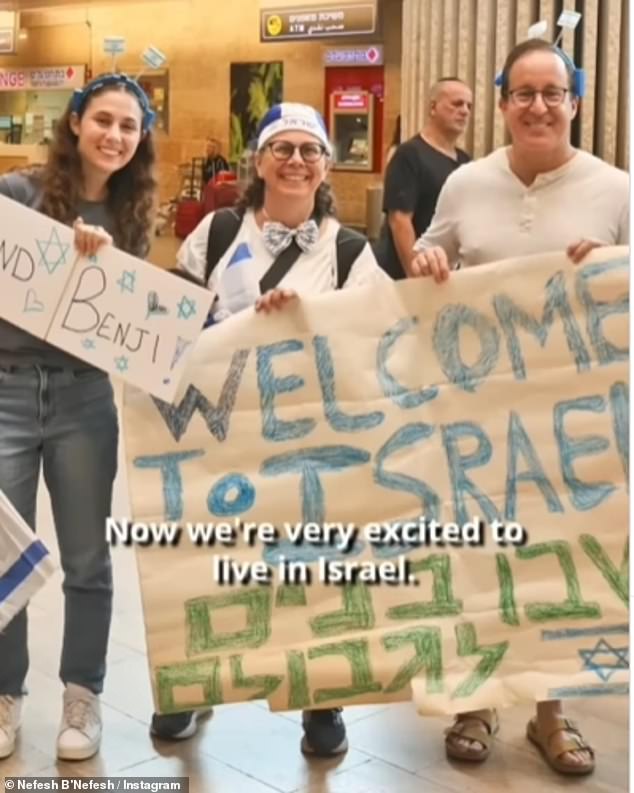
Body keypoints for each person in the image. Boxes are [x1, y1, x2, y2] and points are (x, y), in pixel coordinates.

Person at [410, 39, 628, 776]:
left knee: (560, 561)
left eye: (552, 93)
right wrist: (429, 263)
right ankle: (477, 699)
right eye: (523, 92)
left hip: (577, 422)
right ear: (502, 102)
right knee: (478, 555)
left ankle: (550, 712)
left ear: (574, 102)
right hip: (476, 416)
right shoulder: (466, 183)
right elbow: (426, 260)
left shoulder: (616, 189)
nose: (538, 106)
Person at [152, 101, 389, 756]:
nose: (295, 160)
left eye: (308, 150)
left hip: (312, 441)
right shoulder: (219, 230)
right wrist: (235, 327)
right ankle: (192, 683)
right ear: (258, 162)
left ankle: (322, 699)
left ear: (325, 166)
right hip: (219, 433)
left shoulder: (351, 250)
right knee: (207, 560)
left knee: (317, 568)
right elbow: (172, 317)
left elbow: (376, 336)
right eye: (281, 148)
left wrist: (304, 320)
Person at [0, 73, 157, 762]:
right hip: (4, 388)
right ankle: (5, 695)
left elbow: (125, 317)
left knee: (88, 558)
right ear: (74, 122)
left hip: (84, 396)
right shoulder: (17, 194)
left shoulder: (134, 212)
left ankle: (81, 694)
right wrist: (61, 247)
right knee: (3, 554)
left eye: (129, 126)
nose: (115, 135)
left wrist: (110, 262)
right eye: (103, 120)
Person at [374, 78, 473, 280]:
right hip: (407, 274)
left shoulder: (465, 161)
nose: (464, 111)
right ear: (433, 108)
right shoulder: (409, 155)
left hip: (446, 270)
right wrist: (414, 272)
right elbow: (400, 220)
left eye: (468, 106)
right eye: (457, 103)